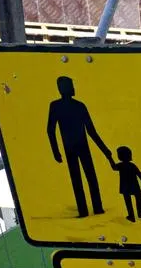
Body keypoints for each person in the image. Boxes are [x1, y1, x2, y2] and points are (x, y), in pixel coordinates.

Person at [46, 76, 111, 218]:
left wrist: (105, 150)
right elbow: (50, 130)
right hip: (72, 148)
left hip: (79, 146)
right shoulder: (57, 106)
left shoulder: (79, 105)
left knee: (89, 177)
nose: (73, 88)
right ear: (65, 88)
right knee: (79, 179)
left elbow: (91, 131)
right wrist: (55, 151)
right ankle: (86, 210)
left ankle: (96, 208)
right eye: (71, 85)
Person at [111, 146, 141, 222]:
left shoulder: (121, 165)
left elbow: (114, 167)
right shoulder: (132, 165)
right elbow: (140, 175)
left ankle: (131, 215)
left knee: (128, 201)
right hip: (134, 185)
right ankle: (140, 213)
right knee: (138, 198)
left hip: (125, 186)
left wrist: (110, 158)